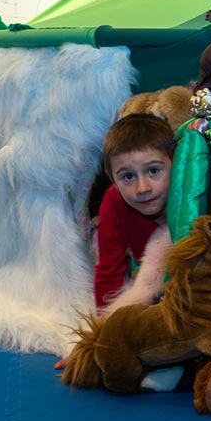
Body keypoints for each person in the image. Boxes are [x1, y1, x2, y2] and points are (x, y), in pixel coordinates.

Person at [92, 112, 176, 312]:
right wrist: (105, 327)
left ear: (177, 164)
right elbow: (109, 270)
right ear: (112, 179)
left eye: (153, 171)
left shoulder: (190, 197)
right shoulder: (114, 201)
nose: (143, 188)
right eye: (128, 176)